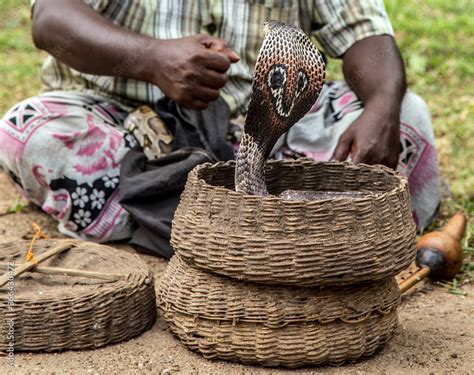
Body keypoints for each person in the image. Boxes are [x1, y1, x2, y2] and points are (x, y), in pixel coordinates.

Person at [0, 0, 440, 257]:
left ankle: (205, 229)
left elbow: (367, 33)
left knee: (408, 118)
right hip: (128, 124)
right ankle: (295, 234)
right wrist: (151, 58)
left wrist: (382, 106)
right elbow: (51, 18)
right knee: (30, 134)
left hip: (270, 130)